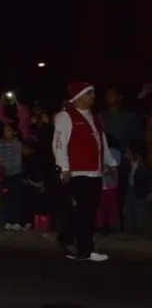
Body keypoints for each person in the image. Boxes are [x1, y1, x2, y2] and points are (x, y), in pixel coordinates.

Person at [52, 81, 118, 261]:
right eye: (90, 93)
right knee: (85, 211)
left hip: (94, 172)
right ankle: (85, 249)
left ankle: (67, 239)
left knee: (86, 210)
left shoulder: (94, 117)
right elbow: (59, 143)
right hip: (78, 172)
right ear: (79, 96)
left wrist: (110, 163)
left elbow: (101, 142)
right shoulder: (66, 116)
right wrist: (64, 167)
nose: (93, 96)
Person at [0, 123, 24, 230]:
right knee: (6, 198)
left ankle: (17, 221)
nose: (6, 133)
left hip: (16, 174)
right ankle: (7, 220)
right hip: (4, 174)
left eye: (9, 130)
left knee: (16, 197)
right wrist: (1, 167)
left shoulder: (17, 144)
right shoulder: (0, 143)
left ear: (14, 132)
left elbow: (18, 161)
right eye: (5, 130)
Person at [122, 142, 152, 235]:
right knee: (128, 212)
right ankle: (130, 233)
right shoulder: (127, 163)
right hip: (130, 189)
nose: (126, 154)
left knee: (140, 213)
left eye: (128, 152)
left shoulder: (145, 165)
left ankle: (141, 234)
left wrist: (150, 193)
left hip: (140, 191)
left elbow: (149, 179)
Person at [96, 141, 123, 233]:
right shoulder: (98, 150)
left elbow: (115, 167)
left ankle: (111, 226)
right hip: (102, 184)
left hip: (110, 184)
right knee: (101, 207)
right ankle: (101, 226)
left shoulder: (114, 152)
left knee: (110, 207)